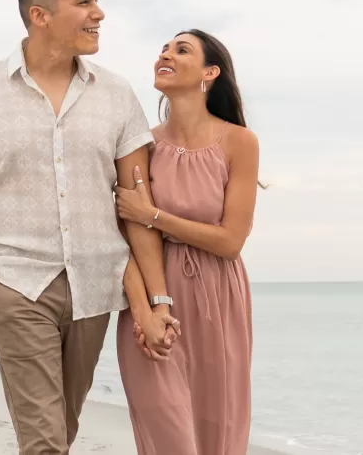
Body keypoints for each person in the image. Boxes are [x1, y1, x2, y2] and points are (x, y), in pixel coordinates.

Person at [0, 0, 178, 453]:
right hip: (17, 284)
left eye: (97, 0)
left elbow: (136, 209)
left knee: (60, 431)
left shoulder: (117, 94)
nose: (99, 13)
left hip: (95, 289)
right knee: (44, 441)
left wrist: (156, 301)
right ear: (40, 15)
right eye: (84, 2)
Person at [114, 29, 261, 455]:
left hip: (219, 299)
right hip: (152, 295)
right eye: (163, 49)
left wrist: (154, 216)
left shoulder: (239, 142)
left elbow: (231, 241)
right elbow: (124, 236)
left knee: (218, 434)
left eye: (181, 50)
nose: (166, 55)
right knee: (168, 436)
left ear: (210, 73)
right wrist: (148, 308)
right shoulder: (141, 145)